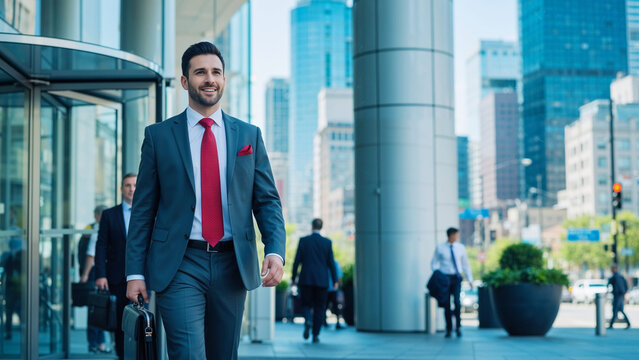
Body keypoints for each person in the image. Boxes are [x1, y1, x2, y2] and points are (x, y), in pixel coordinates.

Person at [125, 41, 285, 360]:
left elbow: (267, 201)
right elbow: (142, 211)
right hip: (181, 262)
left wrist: (276, 251)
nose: (209, 78)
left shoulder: (248, 136)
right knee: (188, 354)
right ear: (185, 81)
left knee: (224, 354)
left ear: (224, 80)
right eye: (200, 72)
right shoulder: (159, 137)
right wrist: (134, 274)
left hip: (232, 263)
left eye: (216, 72)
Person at [94, 173, 137, 359]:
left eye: (135, 185)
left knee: (144, 322)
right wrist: (100, 274)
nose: (131, 189)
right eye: (127, 185)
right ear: (121, 189)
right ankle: (122, 356)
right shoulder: (109, 215)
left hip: (144, 277)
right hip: (117, 277)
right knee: (121, 323)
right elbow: (101, 245)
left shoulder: (149, 212)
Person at [291, 219, 338, 343]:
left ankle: (307, 320)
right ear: (321, 227)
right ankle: (316, 334)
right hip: (322, 281)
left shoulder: (304, 241)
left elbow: (297, 261)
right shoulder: (327, 242)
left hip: (305, 279)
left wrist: (293, 278)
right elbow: (331, 263)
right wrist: (335, 280)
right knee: (320, 307)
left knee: (306, 304)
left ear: (312, 226)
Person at [431, 227, 473, 338]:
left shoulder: (460, 248)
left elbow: (465, 265)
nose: (457, 237)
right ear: (451, 235)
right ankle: (448, 329)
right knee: (446, 304)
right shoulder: (440, 248)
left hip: (457, 278)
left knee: (457, 302)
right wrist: (438, 275)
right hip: (445, 279)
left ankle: (458, 327)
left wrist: (470, 279)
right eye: (456, 235)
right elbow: (434, 263)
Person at [78, 205, 108, 353]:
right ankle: (100, 342)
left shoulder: (94, 230)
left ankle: (95, 342)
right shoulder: (97, 229)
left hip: (94, 273)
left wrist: (84, 275)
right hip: (101, 272)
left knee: (95, 308)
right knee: (100, 307)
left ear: (96, 214)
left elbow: (91, 255)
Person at [608, 264, 631, 329]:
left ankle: (611, 324)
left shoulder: (614, 277)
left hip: (617, 295)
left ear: (614, 269)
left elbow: (609, 284)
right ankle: (628, 323)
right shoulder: (621, 276)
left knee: (615, 309)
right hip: (621, 295)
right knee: (620, 309)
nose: (611, 270)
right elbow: (626, 285)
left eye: (612, 269)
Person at [325, 259, 344, 329]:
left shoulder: (324, 262)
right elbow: (339, 275)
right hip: (333, 288)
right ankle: (338, 322)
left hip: (325, 288)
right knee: (335, 306)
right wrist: (340, 286)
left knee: (324, 306)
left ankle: (324, 321)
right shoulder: (335, 263)